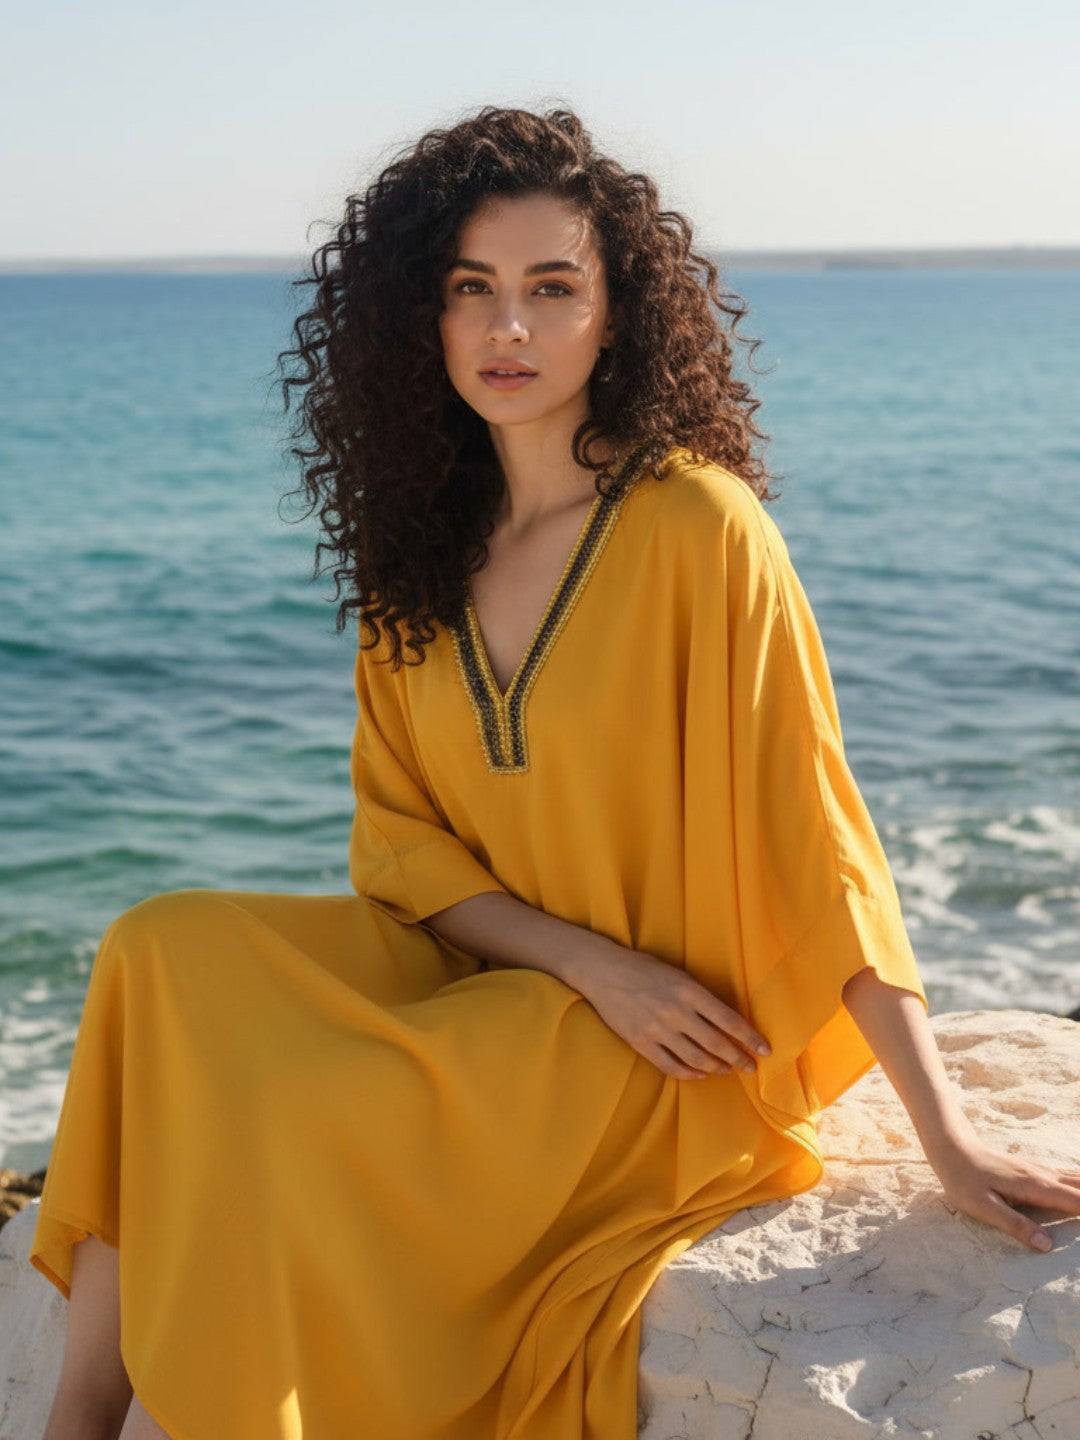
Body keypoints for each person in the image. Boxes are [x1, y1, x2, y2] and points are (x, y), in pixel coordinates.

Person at [32, 104, 1080, 1440]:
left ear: (616, 314)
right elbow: (404, 857)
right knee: (155, 951)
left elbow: (819, 836)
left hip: (664, 1053)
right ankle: (80, 1412)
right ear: (427, 316)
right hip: (513, 976)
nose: (508, 330)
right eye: (472, 290)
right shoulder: (420, 555)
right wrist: (586, 958)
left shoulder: (699, 524)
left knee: (289, 1106)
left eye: (550, 289)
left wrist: (945, 1132)